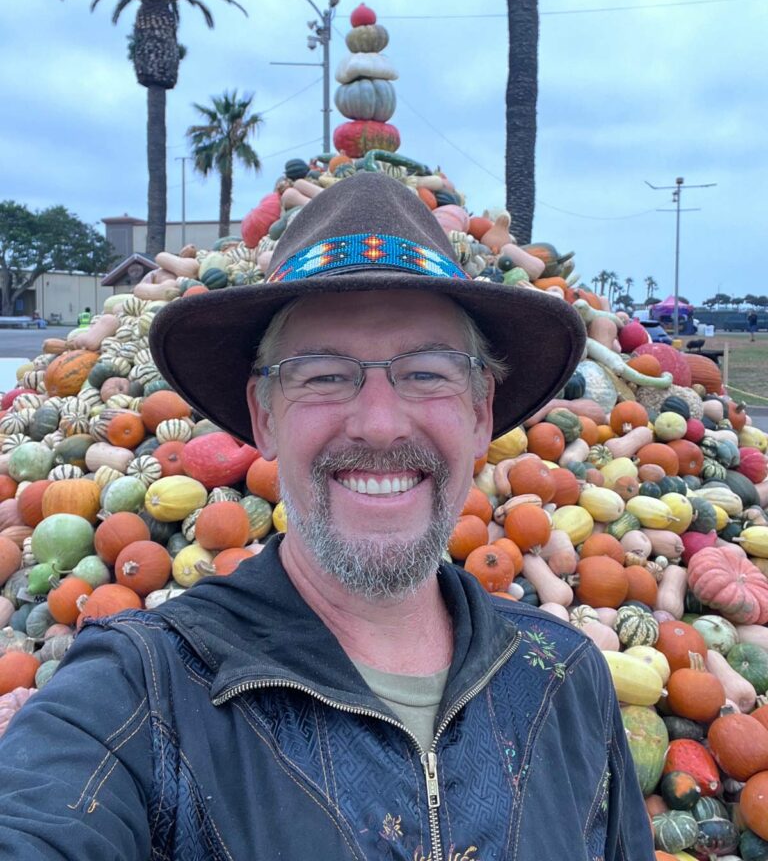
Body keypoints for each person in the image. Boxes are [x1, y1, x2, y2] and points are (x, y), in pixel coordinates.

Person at [0, 173, 654, 860]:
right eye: (322, 373)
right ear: (263, 415)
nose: (377, 424)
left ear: (480, 410)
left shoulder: (566, 679)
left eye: (427, 371)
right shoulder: (140, 693)